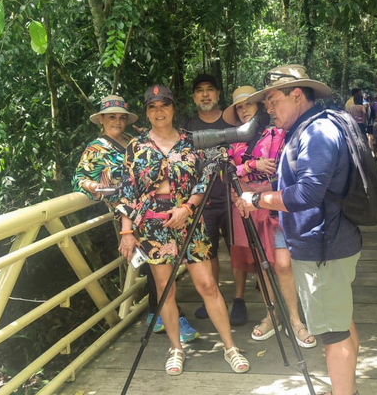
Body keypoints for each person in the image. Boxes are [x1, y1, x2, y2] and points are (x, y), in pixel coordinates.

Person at [236, 64, 362, 395]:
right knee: (341, 322)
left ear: (296, 95)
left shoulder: (316, 133)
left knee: (334, 334)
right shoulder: (311, 127)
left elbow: (308, 193)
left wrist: (258, 198)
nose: (269, 109)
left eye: (273, 100)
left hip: (323, 247)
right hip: (329, 242)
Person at [116, 84, 249, 376]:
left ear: (174, 108)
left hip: (191, 218)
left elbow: (204, 179)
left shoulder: (191, 141)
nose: (159, 111)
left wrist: (187, 207)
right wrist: (127, 233)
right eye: (153, 106)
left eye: (164, 105)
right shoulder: (136, 146)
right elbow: (128, 191)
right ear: (147, 112)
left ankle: (230, 346)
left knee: (207, 285)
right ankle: (176, 348)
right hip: (153, 226)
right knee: (165, 290)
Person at [72, 95, 199, 343]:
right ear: (101, 120)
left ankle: (158, 312)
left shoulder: (134, 141)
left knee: (157, 267)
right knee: (155, 267)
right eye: (112, 117)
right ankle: (167, 314)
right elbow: (79, 179)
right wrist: (93, 185)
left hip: (150, 211)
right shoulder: (96, 148)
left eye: (121, 117)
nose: (117, 121)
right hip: (127, 215)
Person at [223, 86, 317, 349]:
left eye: (248, 105)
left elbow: (282, 167)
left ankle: (296, 319)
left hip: (272, 202)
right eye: (239, 107)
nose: (243, 110)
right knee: (261, 264)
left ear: (259, 108)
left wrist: (247, 177)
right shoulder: (234, 139)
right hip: (245, 205)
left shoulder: (277, 131)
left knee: (283, 263)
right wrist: (251, 166)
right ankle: (271, 314)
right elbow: (227, 170)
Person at [183, 74, 247, 325]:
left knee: (237, 250)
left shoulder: (231, 122)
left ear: (218, 94)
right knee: (207, 253)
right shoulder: (187, 128)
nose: (205, 94)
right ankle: (213, 296)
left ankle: (239, 299)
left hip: (232, 197)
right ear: (193, 97)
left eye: (210, 89)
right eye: (200, 91)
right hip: (203, 203)